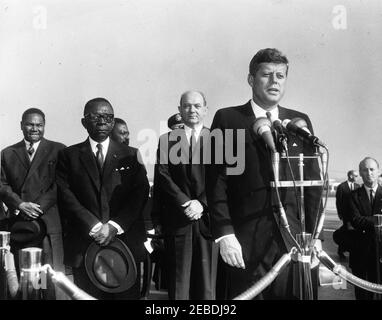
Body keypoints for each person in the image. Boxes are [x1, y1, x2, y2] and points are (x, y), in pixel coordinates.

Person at [206, 48, 322, 299]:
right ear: (251, 79)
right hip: (245, 246)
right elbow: (216, 183)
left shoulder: (299, 123)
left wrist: (316, 236)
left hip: (294, 243)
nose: (274, 81)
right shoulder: (228, 119)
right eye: (267, 75)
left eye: (280, 76)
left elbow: (312, 187)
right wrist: (225, 234)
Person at [56, 97, 149, 299]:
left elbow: (139, 194)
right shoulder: (68, 156)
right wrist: (95, 226)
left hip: (124, 243)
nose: (102, 122)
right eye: (96, 117)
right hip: (85, 243)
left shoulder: (131, 155)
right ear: (84, 122)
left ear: (113, 122)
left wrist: (115, 225)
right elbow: (65, 194)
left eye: (107, 117)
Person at [152, 91, 218, 300]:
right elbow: (162, 175)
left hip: (208, 222)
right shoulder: (167, 140)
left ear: (205, 109)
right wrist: (186, 202)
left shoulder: (218, 139)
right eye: (187, 106)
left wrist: (202, 204)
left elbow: (222, 178)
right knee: (179, 287)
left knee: (207, 288)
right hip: (179, 221)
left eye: (197, 106)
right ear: (179, 109)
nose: (192, 110)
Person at [0, 108, 66, 299]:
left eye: (39, 125)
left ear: (44, 126)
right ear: (21, 125)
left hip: (46, 223)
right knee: (24, 277)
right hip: (20, 224)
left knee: (47, 276)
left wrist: (36, 208)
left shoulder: (59, 150)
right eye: (30, 124)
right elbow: (2, 185)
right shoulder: (8, 153)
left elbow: (59, 185)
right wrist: (20, 204)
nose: (34, 129)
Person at [348, 157, 382, 300]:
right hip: (362, 254)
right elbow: (356, 221)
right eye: (365, 170)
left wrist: (367, 220)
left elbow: (362, 220)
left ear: (378, 171)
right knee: (363, 295)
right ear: (360, 173)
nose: (369, 173)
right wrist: (379, 219)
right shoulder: (353, 196)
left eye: (372, 169)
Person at [334, 170, 360, 259]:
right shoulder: (342, 187)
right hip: (346, 215)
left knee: (355, 232)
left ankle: (352, 250)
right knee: (346, 232)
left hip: (356, 215)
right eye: (355, 176)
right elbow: (338, 201)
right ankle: (341, 250)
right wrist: (340, 214)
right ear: (350, 176)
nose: (357, 177)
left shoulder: (357, 186)